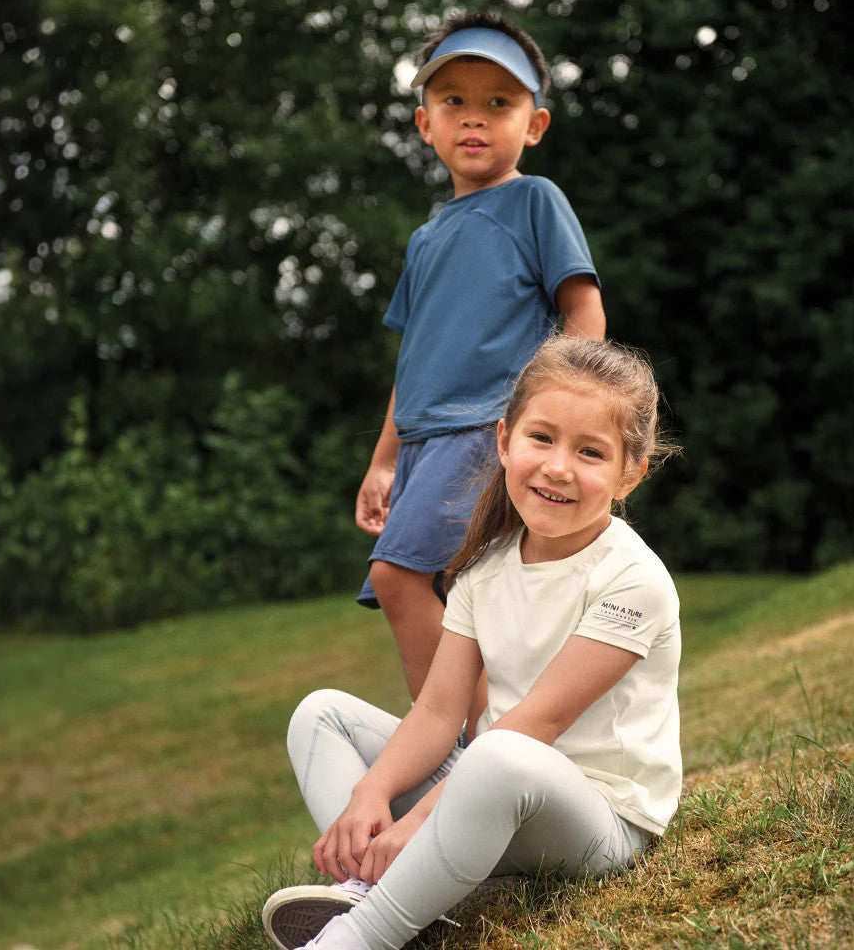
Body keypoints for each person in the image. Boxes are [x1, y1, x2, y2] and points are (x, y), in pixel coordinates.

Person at [264, 336, 681, 950]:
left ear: (629, 476)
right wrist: (370, 792)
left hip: (598, 821)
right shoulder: (485, 568)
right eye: (541, 438)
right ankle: (376, 885)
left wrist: (420, 817)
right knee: (321, 714)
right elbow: (437, 713)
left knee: (499, 751)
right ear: (504, 441)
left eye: (590, 452)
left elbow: (536, 726)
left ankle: (356, 935)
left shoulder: (632, 579)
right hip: (492, 782)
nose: (558, 467)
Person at [354, 11, 606, 708]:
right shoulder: (426, 239)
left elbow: (584, 312)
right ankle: (485, 743)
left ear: (535, 125)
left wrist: (560, 419)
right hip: (424, 442)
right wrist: (384, 460)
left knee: (398, 578)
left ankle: (449, 743)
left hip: (485, 428)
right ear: (424, 124)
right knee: (456, 599)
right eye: (453, 101)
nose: (474, 118)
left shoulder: (534, 201)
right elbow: (415, 358)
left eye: (499, 102)